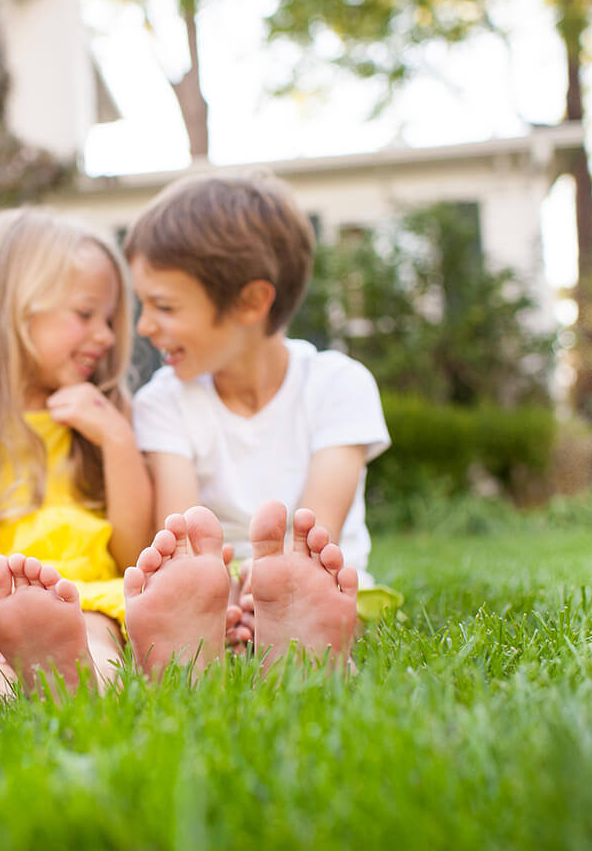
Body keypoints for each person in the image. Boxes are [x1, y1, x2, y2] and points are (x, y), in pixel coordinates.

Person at [0, 208, 238, 718]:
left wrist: (115, 439)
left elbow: (132, 549)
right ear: (9, 310)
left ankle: (70, 678)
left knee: (91, 633)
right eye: (86, 315)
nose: (108, 335)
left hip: (86, 593)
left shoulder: (107, 408)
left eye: (109, 319)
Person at [125, 173, 401, 656]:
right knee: (195, 595)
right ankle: (229, 629)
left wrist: (277, 585)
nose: (144, 325)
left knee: (342, 601)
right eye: (143, 304)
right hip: (216, 586)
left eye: (164, 306)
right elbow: (181, 540)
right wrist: (225, 593)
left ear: (251, 302)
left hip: (321, 580)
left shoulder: (339, 384)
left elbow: (318, 533)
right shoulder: (162, 402)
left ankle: (291, 627)